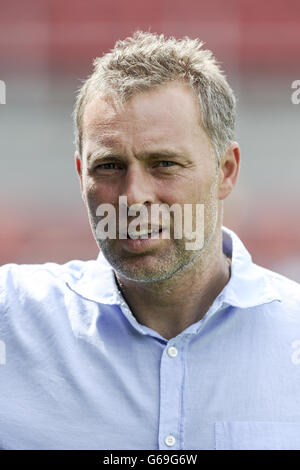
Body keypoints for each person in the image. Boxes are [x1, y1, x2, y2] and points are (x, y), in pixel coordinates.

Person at [1, 31, 300, 451]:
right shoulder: (12, 319)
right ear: (79, 174)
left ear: (226, 170)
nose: (132, 196)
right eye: (108, 166)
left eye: (164, 163)